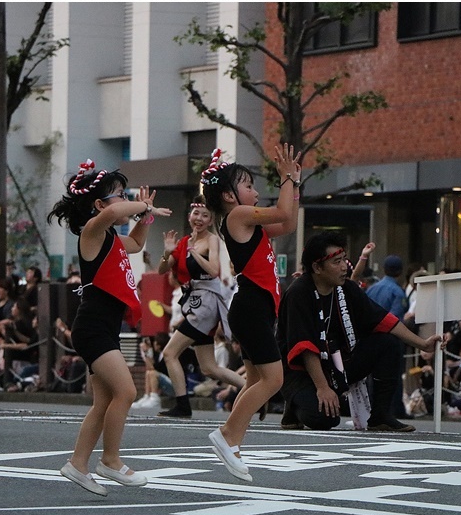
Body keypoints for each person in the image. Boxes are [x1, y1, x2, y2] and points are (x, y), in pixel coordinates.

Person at [47, 158, 171, 496]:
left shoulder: (113, 241)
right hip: (92, 328)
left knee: (103, 402)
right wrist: (143, 204)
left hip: (102, 328)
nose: (124, 199)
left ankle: (78, 463)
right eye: (120, 194)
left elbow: (137, 244)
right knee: (127, 392)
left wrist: (143, 216)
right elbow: (115, 215)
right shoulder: (92, 231)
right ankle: (111, 460)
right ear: (100, 204)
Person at [200, 143, 301, 482]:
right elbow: (283, 214)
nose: (256, 192)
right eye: (248, 185)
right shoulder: (238, 216)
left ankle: (233, 440)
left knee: (258, 380)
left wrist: (294, 185)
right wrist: (286, 178)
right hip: (251, 307)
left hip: (254, 308)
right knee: (274, 379)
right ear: (229, 196)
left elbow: (287, 224)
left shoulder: (248, 223)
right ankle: (227, 435)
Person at [277, 231, 442, 434]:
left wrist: (422, 343)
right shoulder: (298, 293)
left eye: (345, 260)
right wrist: (322, 388)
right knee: (325, 418)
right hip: (300, 372)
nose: (344, 266)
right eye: (336, 262)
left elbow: (383, 320)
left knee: (388, 343)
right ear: (317, 267)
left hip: (337, 364)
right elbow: (304, 347)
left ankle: (381, 416)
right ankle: (294, 404)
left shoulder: (346, 289)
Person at [156, 195, 245, 418]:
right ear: (189, 216)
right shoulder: (184, 242)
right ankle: (251, 390)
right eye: (196, 214)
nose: (200, 218)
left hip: (206, 302)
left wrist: (195, 253)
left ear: (210, 219)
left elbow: (215, 269)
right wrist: (167, 251)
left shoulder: (212, 240)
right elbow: (161, 271)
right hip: (195, 302)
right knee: (208, 367)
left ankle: (182, 405)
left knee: (169, 353)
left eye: (205, 215)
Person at [366, 254, 410, 421]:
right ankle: (394, 409)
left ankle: (372, 407)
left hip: (371, 336)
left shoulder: (372, 288)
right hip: (390, 338)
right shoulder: (398, 291)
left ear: (384, 269)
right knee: (393, 374)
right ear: (399, 271)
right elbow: (395, 318)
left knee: (372, 375)